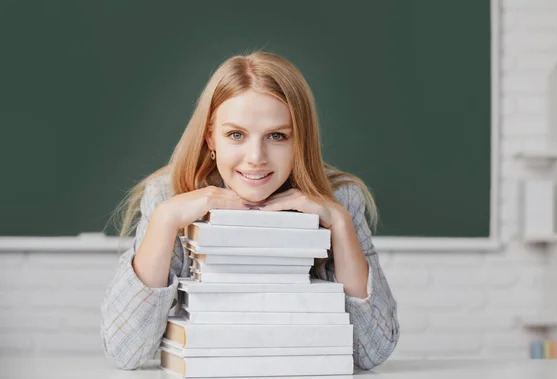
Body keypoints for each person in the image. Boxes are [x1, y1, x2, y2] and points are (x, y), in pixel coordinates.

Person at [100, 51, 399, 371]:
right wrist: (163, 221)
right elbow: (124, 351)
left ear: (301, 142)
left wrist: (340, 223)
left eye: (277, 136)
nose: (256, 157)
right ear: (210, 137)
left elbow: (373, 351)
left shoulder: (341, 200)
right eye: (236, 135)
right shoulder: (169, 198)